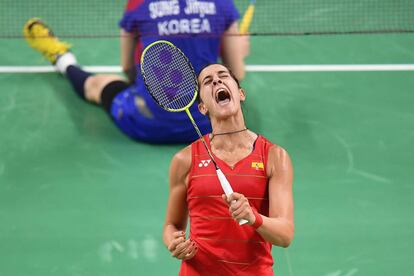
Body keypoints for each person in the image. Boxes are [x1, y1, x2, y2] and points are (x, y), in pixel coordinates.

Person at [23, 0, 249, 143]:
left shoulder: (138, 4)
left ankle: (62, 58)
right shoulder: (223, 5)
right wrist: (241, 49)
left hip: (147, 123)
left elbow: (126, 68)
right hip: (209, 125)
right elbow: (237, 73)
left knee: (98, 84)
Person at [163, 63, 294, 275]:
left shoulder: (274, 157)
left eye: (223, 75)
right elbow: (172, 224)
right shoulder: (185, 159)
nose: (216, 81)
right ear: (203, 107)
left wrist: (253, 217)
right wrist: (174, 242)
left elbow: (285, 234)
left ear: (240, 93)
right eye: (207, 81)